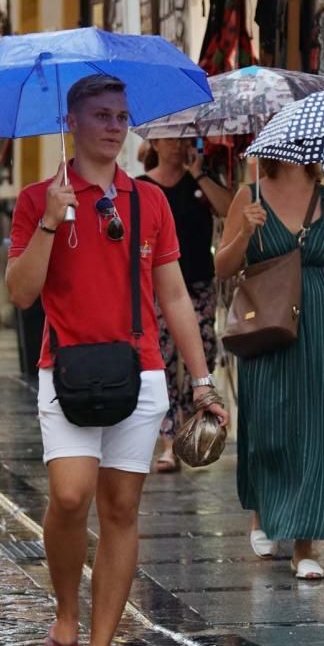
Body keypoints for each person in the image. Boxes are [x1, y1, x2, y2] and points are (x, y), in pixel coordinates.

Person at [6, 74, 228, 646]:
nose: (113, 125)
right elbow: (22, 293)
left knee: (122, 508)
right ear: (71, 122)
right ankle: (67, 616)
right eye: (101, 114)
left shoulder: (147, 201)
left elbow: (176, 295)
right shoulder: (36, 200)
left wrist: (202, 382)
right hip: (67, 369)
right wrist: (50, 223)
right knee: (71, 496)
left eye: (121, 115)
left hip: (141, 371)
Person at [214, 159, 324, 580]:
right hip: (267, 318)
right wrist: (245, 230)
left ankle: (306, 545)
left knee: (320, 427)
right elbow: (223, 268)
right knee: (268, 422)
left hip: (320, 320)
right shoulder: (249, 195)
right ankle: (262, 513)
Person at [139, 137, 233, 472]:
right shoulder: (143, 187)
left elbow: (229, 210)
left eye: (183, 140)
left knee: (201, 357)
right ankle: (168, 444)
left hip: (198, 284)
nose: (177, 147)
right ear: (155, 143)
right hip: (155, 288)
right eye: (170, 141)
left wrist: (201, 175)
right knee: (163, 361)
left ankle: (189, 432)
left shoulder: (200, 181)